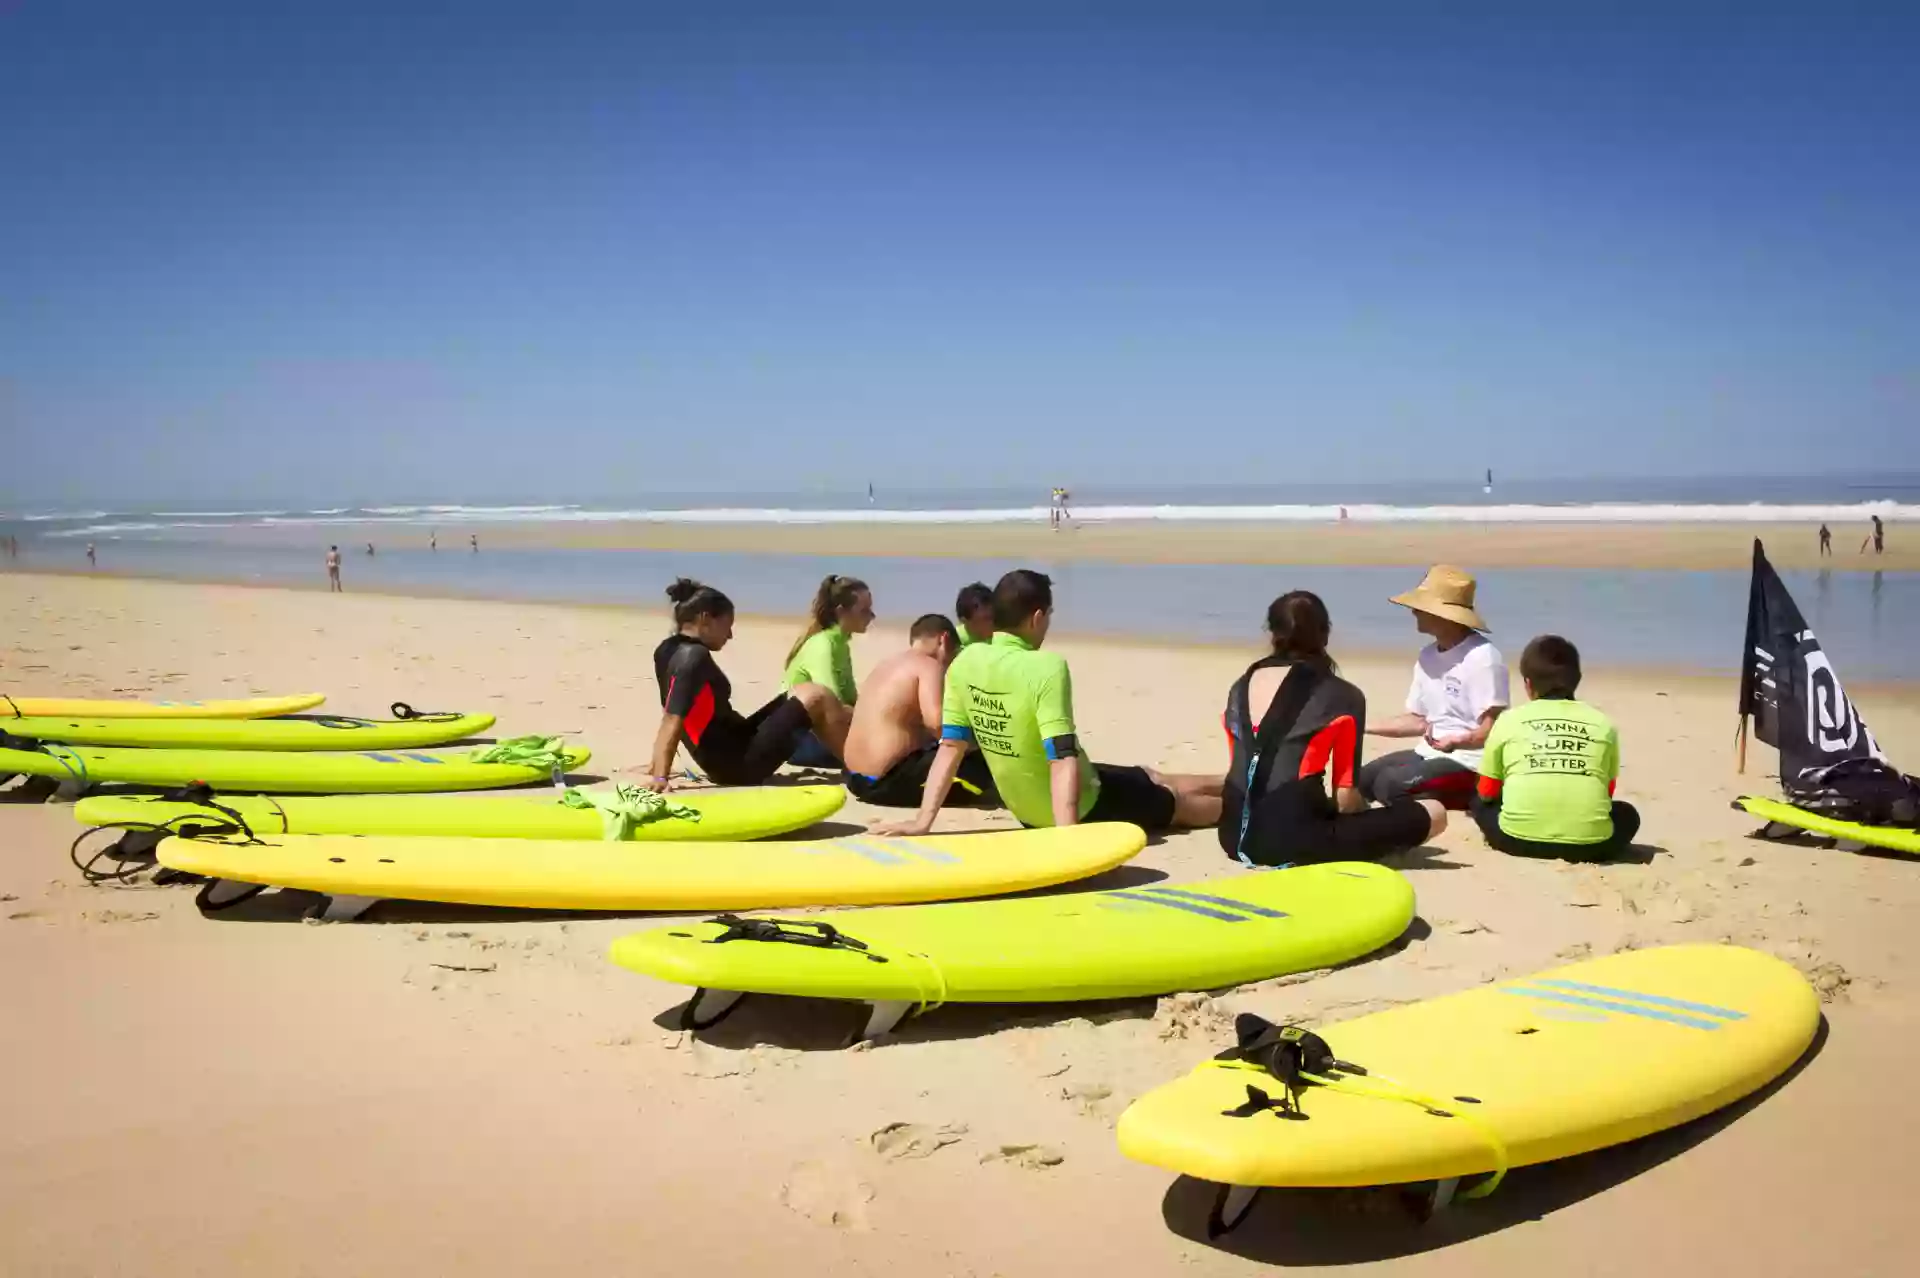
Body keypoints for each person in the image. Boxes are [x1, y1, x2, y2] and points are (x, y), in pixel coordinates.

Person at [874, 569, 1222, 835]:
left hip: (1029, 806)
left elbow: (950, 747)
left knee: (1149, 775)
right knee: (1177, 805)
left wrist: (923, 821)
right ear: (1038, 617)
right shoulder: (1047, 667)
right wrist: (1067, 840)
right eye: (1049, 615)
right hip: (1077, 806)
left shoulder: (965, 662)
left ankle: (1235, 779)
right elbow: (1061, 760)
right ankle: (1248, 804)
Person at [1221, 592, 1446, 866]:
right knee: (1434, 812)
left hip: (1232, 836)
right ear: (1325, 634)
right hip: (1292, 843)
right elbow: (1345, 798)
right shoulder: (1343, 695)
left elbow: (1244, 770)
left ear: (1271, 633)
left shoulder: (1240, 686)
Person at [643, 579, 851, 791]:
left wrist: (656, 763)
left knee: (802, 691)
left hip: (734, 744)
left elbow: (669, 704)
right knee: (819, 696)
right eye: (727, 625)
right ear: (706, 619)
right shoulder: (693, 657)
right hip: (738, 764)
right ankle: (860, 770)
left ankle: (856, 759)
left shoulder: (666, 649)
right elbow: (672, 717)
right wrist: (661, 777)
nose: (730, 635)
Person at [1470, 634, 1641, 862]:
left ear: (1528, 684)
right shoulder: (1603, 723)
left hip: (1516, 841)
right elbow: (1606, 792)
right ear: (1577, 680)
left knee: (1478, 802)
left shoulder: (1509, 720)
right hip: (1591, 846)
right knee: (1627, 815)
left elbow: (1487, 791)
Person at [1359, 565, 1509, 806]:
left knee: (1390, 783)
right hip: (1429, 753)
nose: (1413, 613)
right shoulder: (1427, 655)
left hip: (1470, 763)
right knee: (1362, 780)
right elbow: (1419, 721)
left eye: (1420, 608)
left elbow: (1491, 730)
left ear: (1442, 614)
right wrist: (1360, 725)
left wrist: (1457, 741)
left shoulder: (1483, 657)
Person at [843, 614, 997, 808]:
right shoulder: (929, 665)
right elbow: (937, 724)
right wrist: (978, 745)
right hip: (884, 784)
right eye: (954, 654)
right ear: (944, 639)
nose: (950, 663)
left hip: (854, 779)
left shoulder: (886, 664)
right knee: (979, 763)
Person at [782, 575, 871, 767]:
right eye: (864, 611)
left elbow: (850, 699)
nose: (872, 616)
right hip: (801, 741)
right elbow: (835, 706)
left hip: (824, 732)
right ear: (842, 612)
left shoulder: (841, 644)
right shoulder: (823, 645)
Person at [955, 581, 994, 646]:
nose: (992, 624)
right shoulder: (953, 642)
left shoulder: (1000, 637)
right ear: (964, 620)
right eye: (987, 618)